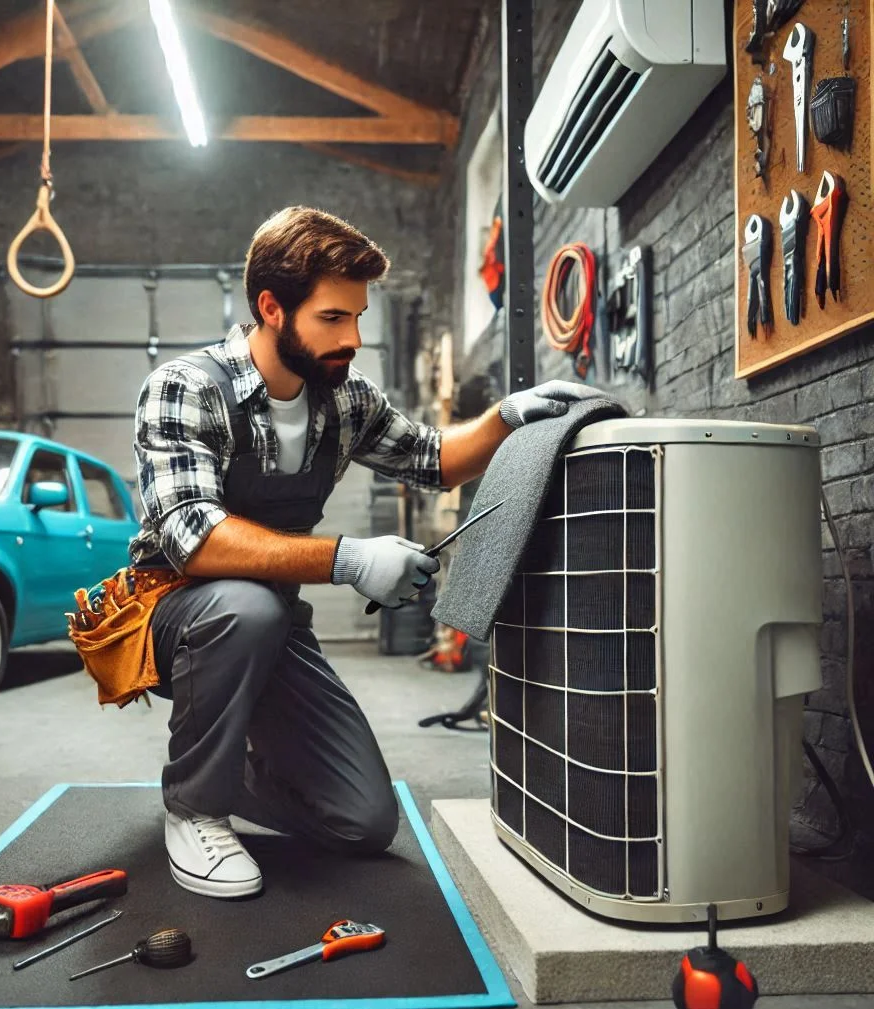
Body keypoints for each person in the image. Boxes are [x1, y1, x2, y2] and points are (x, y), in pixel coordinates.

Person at [128, 206, 603, 899]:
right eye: (332, 318)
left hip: (270, 621)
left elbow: (435, 459)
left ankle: (230, 772)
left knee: (362, 822)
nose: (352, 337)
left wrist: (507, 417)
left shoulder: (345, 401)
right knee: (245, 607)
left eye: (357, 317)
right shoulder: (187, 388)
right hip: (177, 618)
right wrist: (349, 559)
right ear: (271, 307)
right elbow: (193, 537)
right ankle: (195, 805)